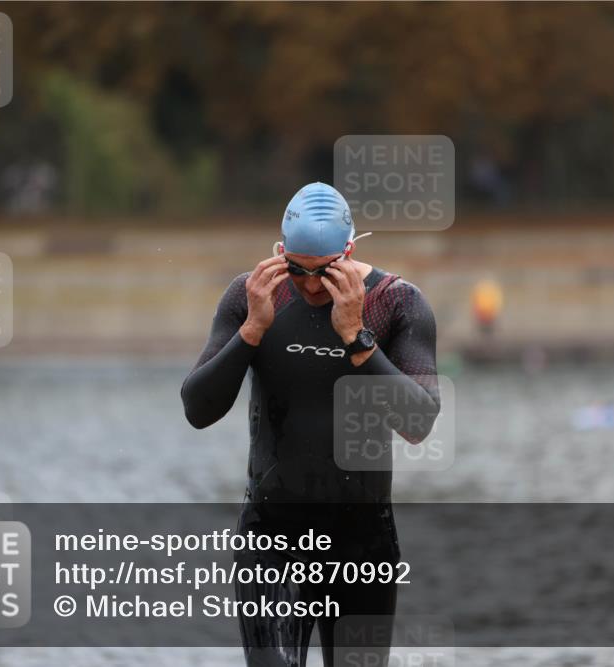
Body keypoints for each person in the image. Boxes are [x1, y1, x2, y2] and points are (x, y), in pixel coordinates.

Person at [181, 182, 440, 666]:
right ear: (280, 253)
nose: (312, 285)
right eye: (298, 270)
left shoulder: (397, 303)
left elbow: (419, 421)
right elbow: (197, 409)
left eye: (326, 272)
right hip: (272, 538)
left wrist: (357, 338)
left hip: (362, 544)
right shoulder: (251, 296)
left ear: (350, 251)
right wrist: (252, 331)